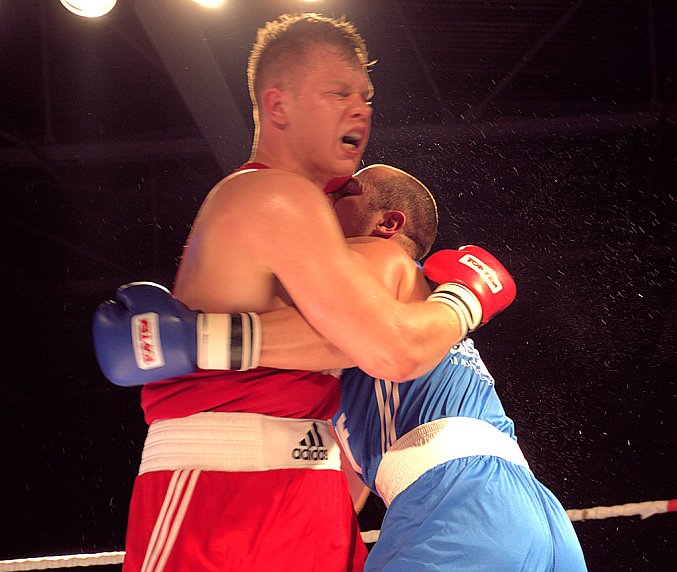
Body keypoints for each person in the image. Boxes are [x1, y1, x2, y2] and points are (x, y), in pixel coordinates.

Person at [94, 13, 516, 572]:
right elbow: (391, 350)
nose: (360, 109)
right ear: (279, 107)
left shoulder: (317, 229)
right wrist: (463, 299)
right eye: (337, 92)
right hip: (222, 493)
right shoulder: (270, 194)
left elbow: (340, 343)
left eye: (365, 96)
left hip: (310, 493)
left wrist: (200, 339)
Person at [95, 164, 587, 570]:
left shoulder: (378, 260)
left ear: (387, 225)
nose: (323, 204)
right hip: (533, 519)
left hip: (458, 507)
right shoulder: (391, 317)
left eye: (345, 194)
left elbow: (327, 336)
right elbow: (344, 480)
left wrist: (192, 338)